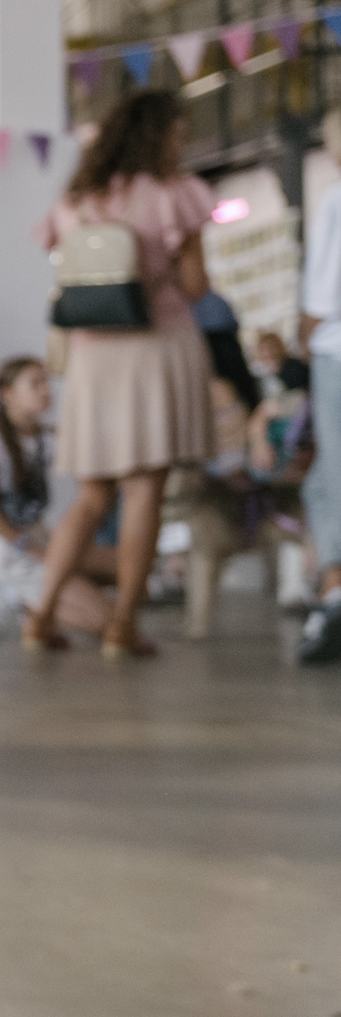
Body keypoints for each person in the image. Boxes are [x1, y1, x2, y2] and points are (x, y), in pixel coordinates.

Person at [25, 90, 216, 659]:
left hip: (91, 356)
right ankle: (122, 624)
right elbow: (197, 285)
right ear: (160, 136)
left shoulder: (76, 199)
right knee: (145, 491)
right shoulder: (172, 195)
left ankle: (40, 614)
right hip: (154, 348)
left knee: (90, 495)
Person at [0, 358, 112, 639]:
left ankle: (56, 592)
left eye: (47, 382)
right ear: (7, 395)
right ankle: (13, 598)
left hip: (46, 541)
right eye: (35, 383)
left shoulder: (49, 437)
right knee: (106, 619)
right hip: (14, 552)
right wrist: (30, 548)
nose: (46, 391)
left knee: (127, 570)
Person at [297, 106, 341, 663]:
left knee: (330, 479)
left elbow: (321, 298)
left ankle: (333, 594)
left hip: (337, 351)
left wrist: (302, 340)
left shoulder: (335, 199)